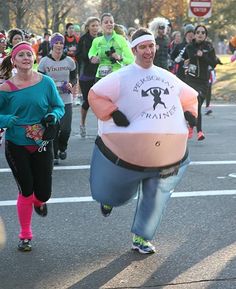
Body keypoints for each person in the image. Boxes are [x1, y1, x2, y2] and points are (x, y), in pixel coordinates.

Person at [88, 28, 198, 254]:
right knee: (112, 192)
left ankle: (141, 237)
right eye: (143, 47)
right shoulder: (121, 76)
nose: (148, 51)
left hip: (165, 153)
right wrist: (112, 112)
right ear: (134, 49)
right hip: (127, 151)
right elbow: (95, 94)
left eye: (151, 46)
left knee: (156, 195)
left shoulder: (166, 76)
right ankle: (107, 199)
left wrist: (190, 113)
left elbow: (189, 96)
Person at [0, 41, 65, 251]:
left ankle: (39, 201)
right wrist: (4, 119)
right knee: (26, 189)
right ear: (14, 61)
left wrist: (53, 115)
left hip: (42, 142)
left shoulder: (45, 82)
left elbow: (59, 106)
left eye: (29, 54)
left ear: (34, 58)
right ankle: (25, 234)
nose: (26, 58)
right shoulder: (5, 88)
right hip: (16, 144)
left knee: (43, 193)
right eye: (21, 55)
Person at [38, 33, 77, 164]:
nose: (59, 45)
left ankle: (62, 148)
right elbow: (40, 79)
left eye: (61, 43)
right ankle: (54, 155)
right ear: (52, 45)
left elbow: (73, 77)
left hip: (66, 99)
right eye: (56, 43)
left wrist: (71, 84)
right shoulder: (44, 62)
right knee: (53, 127)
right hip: (51, 101)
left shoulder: (69, 61)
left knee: (66, 129)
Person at [184, 25, 218, 141]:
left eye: (203, 32)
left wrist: (203, 55)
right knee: (192, 105)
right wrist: (186, 62)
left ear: (206, 35)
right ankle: (198, 130)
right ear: (194, 34)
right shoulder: (190, 46)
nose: (200, 34)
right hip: (191, 80)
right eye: (198, 32)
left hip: (203, 81)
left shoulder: (209, 47)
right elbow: (188, 56)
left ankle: (193, 126)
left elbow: (213, 63)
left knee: (197, 104)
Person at [88, 13, 134, 81]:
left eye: (111, 22)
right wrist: (92, 58)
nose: (109, 24)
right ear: (101, 25)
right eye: (106, 22)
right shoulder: (96, 40)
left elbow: (131, 59)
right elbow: (91, 52)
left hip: (116, 76)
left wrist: (120, 58)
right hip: (100, 77)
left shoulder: (121, 39)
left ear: (114, 24)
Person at [77, 16, 100, 138]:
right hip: (86, 73)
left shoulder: (102, 38)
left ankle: (101, 128)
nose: (95, 28)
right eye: (93, 25)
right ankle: (82, 124)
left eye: (97, 25)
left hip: (100, 73)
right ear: (88, 27)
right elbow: (78, 55)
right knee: (87, 101)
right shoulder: (83, 39)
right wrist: (90, 58)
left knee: (100, 101)